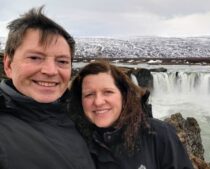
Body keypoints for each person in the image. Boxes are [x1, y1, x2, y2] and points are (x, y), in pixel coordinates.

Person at [0, 6, 96, 169]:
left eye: (62, 61)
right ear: (9, 65)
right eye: (35, 57)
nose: (51, 71)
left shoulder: (83, 115)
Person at [69, 60, 194, 169]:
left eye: (107, 92)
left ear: (124, 96)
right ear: (80, 100)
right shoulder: (71, 143)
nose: (98, 101)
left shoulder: (159, 136)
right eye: (89, 94)